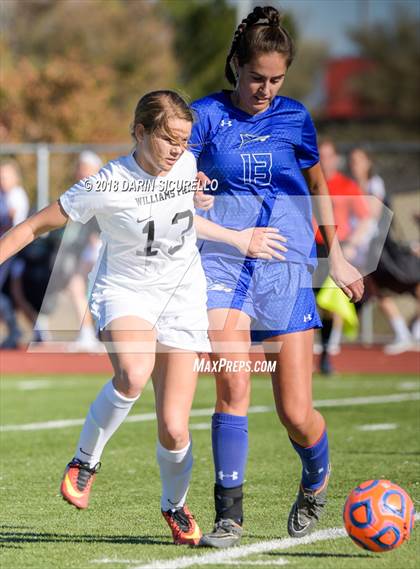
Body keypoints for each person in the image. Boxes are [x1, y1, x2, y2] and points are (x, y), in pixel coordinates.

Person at [0, 90, 285, 545]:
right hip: (125, 291)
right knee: (133, 373)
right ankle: (85, 460)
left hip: (182, 295)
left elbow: (187, 220)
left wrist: (237, 237)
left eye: (185, 141)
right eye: (169, 138)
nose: (178, 149)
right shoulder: (105, 183)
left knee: (174, 427)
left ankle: (174, 505)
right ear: (140, 131)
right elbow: (34, 225)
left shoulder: (187, 167)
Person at [189, 5, 364, 547]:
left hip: (285, 272)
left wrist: (335, 255)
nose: (265, 89)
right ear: (235, 67)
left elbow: (318, 187)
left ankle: (316, 478)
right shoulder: (204, 116)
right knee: (233, 384)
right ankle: (228, 515)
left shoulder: (295, 118)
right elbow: (171, 172)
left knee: (295, 412)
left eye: (275, 80)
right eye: (255, 78)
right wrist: (188, 184)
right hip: (222, 266)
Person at [349, 147, 418, 354]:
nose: (355, 165)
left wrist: (355, 239)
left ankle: (414, 331)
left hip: (384, 249)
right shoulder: (352, 187)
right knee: (377, 291)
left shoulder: (374, 184)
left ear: (369, 162)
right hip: (366, 250)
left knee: (412, 283)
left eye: (359, 160)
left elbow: (372, 214)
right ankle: (403, 334)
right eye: (352, 161)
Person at [316, 140, 370, 373]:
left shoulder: (346, 186)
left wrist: (351, 245)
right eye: (320, 156)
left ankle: (325, 356)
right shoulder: (309, 182)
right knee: (305, 303)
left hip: (336, 250)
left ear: (336, 159)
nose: (324, 161)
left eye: (328, 156)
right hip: (309, 249)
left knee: (329, 305)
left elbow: (366, 219)